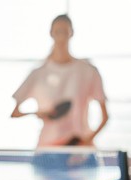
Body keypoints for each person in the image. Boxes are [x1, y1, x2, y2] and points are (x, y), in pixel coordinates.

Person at [11, 14, 108, 147]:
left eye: (65, 31)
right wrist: (38, 113)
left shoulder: (88, 71)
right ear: (51, 33)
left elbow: (105, 117)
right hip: (48, 150)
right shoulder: (38, 73)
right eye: (57, 31)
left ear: (71, 33)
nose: (61, 36)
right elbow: (15, 112)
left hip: (80, 152)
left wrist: (85, 141)